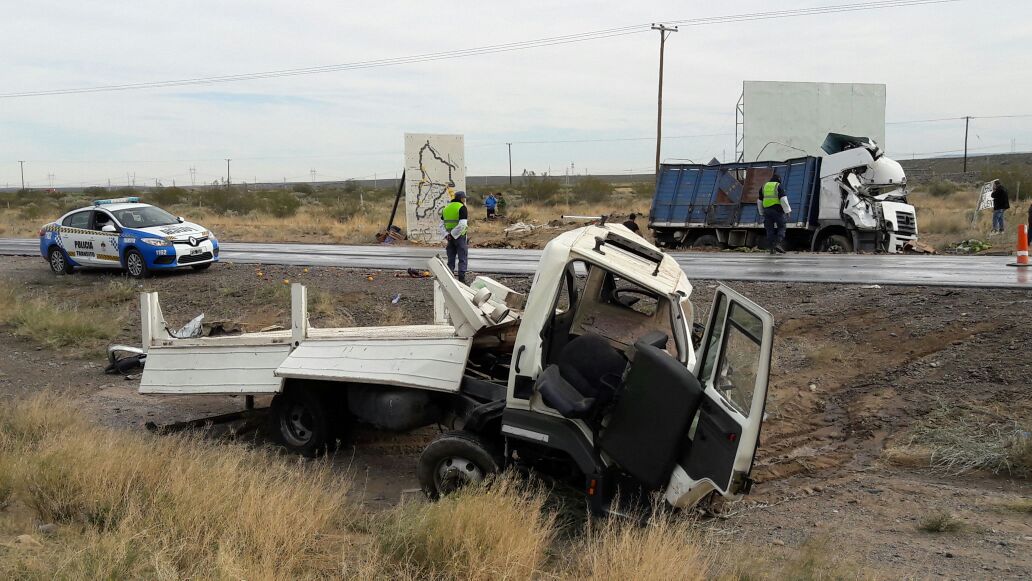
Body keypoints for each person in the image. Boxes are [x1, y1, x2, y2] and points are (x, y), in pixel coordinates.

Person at [757, 173, 792, 254]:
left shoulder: (764, 186)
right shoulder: (778, 186)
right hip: (777, 210)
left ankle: (771, 248)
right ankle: (777, 243)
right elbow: (783, 199)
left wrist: (761, 212)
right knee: (782, 226)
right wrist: (787, 211)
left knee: (769, 229)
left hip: (767, 211)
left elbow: (759, 201)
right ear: (779, 179)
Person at [440, 191, 469, 284]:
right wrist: (453, 235)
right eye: (464, 198)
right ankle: (461, 279)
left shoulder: (446, 208)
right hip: (459, 236)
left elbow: (441, 225)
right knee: (462, 257)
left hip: (449, 237)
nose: (464, 200)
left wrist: (447, 235)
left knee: (450, 258)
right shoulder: (462, 207)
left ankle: (450, 279)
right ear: (461, 198)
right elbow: (462, 224)